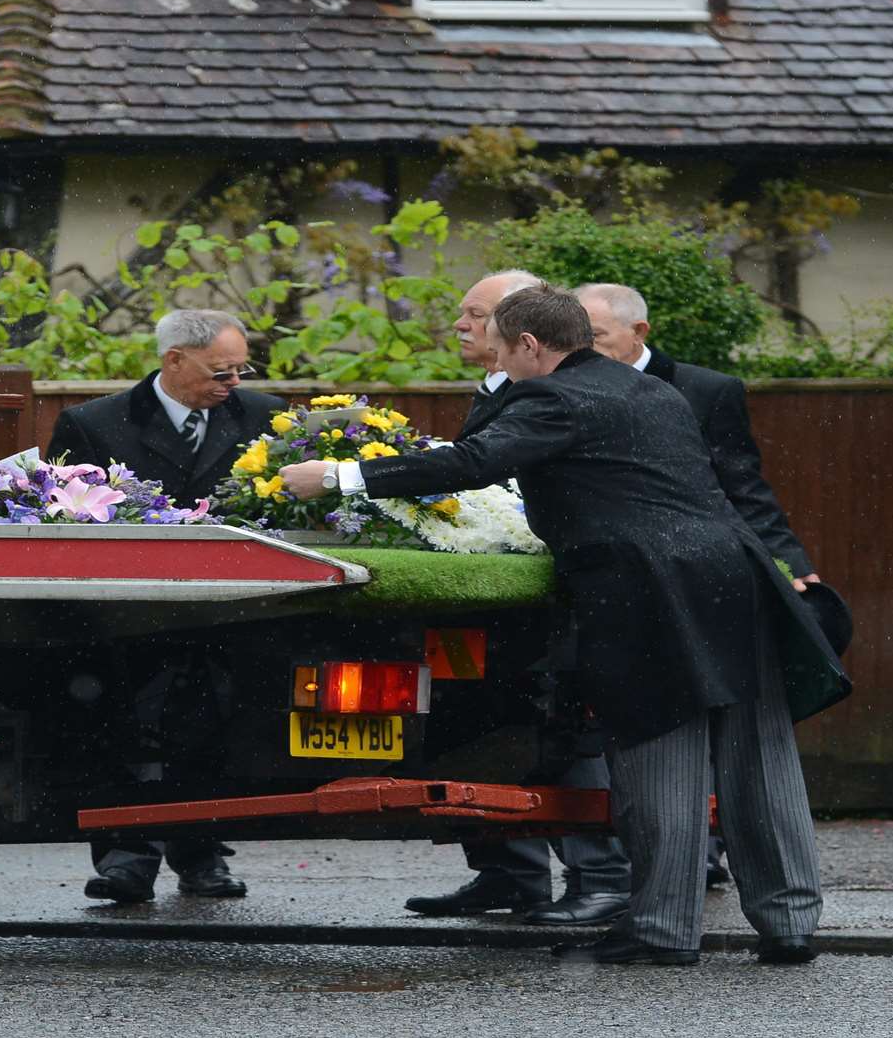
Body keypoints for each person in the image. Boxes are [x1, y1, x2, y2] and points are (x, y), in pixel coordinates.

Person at [281, 285, 845, 965]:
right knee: (759, 757)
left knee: (660, 752)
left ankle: (665, 929)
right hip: (736, 577)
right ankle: (789, 923)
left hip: (649, 593)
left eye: (501, 349)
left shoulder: (552, 396)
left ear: (529, 344)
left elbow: (473, 464)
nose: (500, 367)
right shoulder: (652, 391)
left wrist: (340, 478)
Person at [401, 270, 635, 929]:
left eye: (477, 314)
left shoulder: (567, 391)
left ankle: (600, 877)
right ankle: (509, 874)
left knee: (567, 733)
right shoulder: (499, 386)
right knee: (487, 725)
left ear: (523, 330)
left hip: (569, 596)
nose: (464, 326)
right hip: (500, 604)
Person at [578, 281, 827, 889]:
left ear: (639, 334)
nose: (582, 348)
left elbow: (743, 488)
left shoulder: (705, 390)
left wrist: (789, 564)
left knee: (731, 734)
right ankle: (672, 882)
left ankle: (713, 882)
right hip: (631, 580)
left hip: (711, 577)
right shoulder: (566, 388)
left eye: (596, 337)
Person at [48, 308, 286, 904]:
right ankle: (126, 857)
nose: (234, 384)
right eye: (220, 372)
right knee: (120, 728)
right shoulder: (93, 423)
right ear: (173, 359)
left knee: (210, 729)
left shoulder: (264, 416)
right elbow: (61, 512)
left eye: (239, 371)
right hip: (127, 614)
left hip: (232, 608)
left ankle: (200, 853)